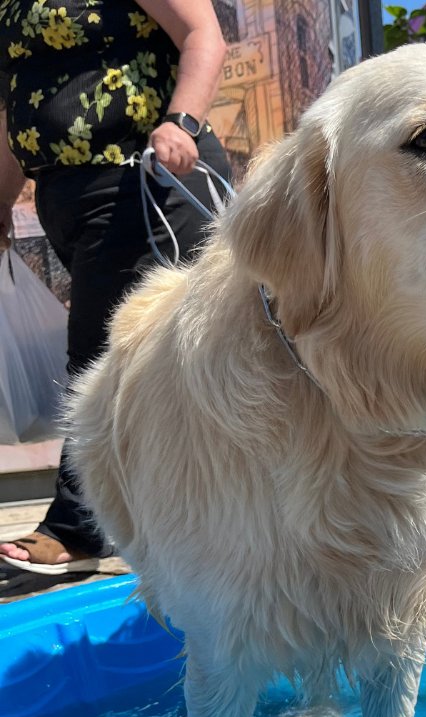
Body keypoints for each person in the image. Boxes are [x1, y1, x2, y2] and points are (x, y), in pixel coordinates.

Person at [0, 0, 229, 575]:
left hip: (145, 180)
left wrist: (184, 121)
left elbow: (203, 35)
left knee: (98, 359)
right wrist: (1, 197)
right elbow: (12, 107)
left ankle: (78, 528)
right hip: (67, 195)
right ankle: (207, 519)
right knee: (148, 368)